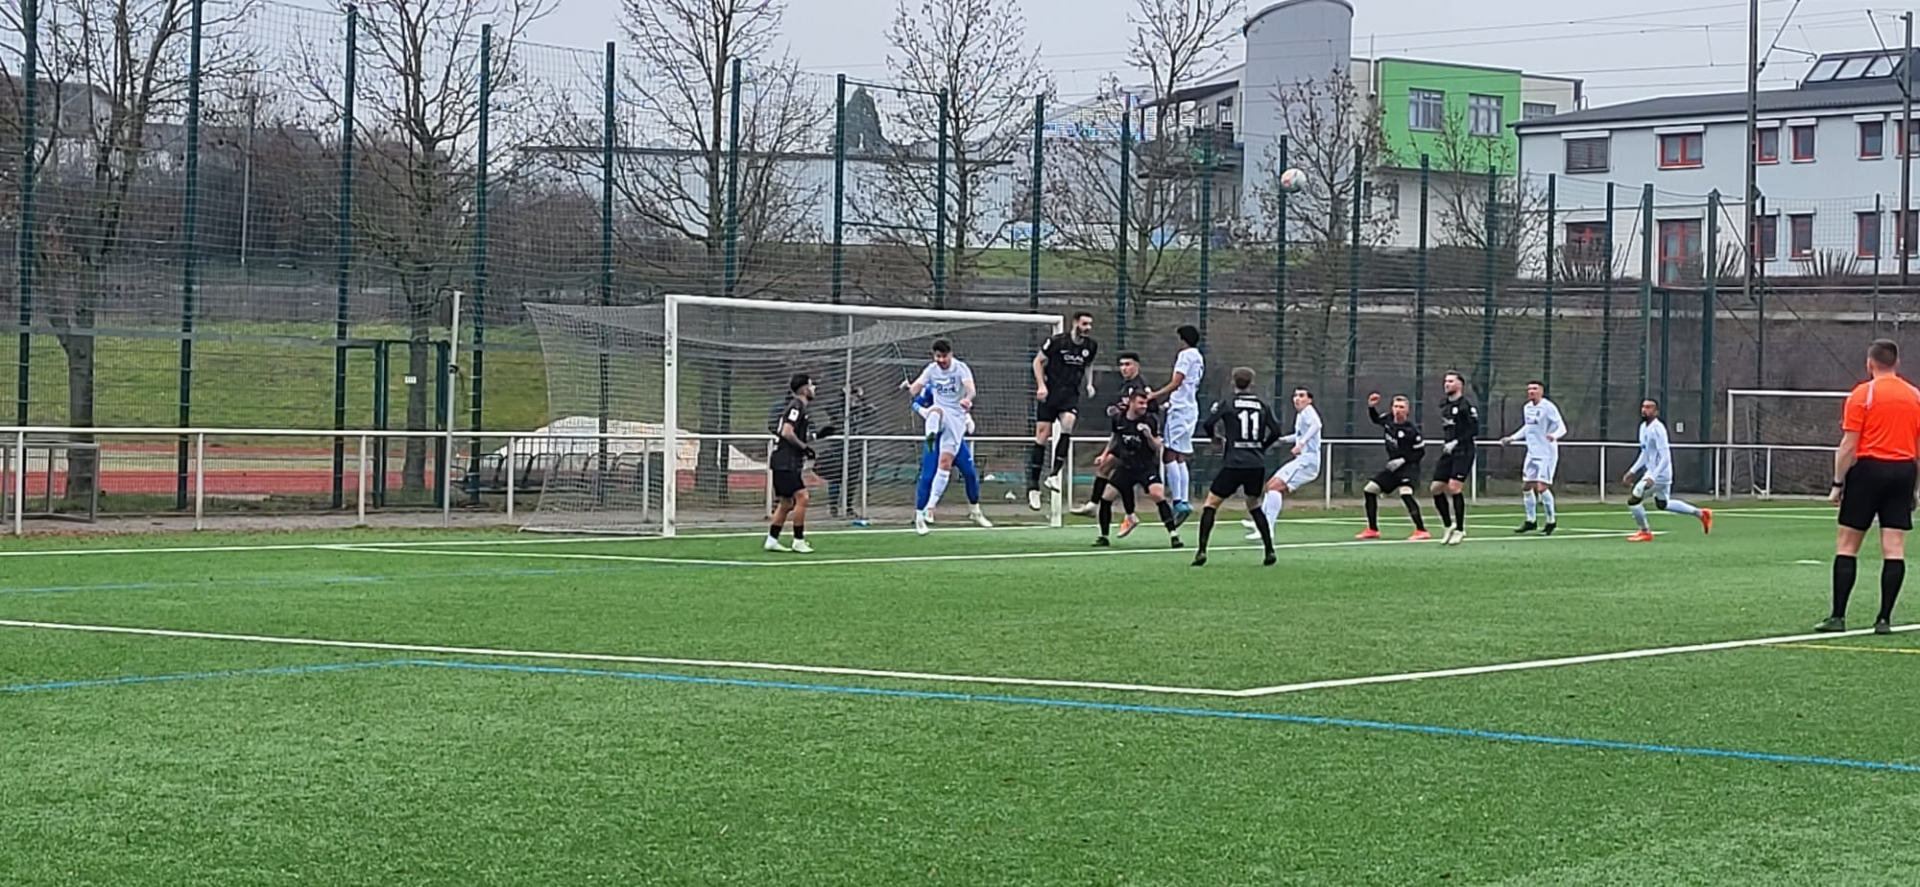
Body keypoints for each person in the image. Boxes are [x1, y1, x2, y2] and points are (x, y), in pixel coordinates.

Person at [1817, 338, 1920, 635]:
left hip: (1869, 470)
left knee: (1847, 545)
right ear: (1896, 363)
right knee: (1894, 548)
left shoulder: (1863, 394)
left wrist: (1837, 483)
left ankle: (1838, 616)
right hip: (1903, 470)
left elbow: (1849, 445)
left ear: (1870, 363)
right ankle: (1884, 619)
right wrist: (1914, 488)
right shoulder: (1914, 396)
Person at [1192, 367, 1283, 567]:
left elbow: (1208, 423)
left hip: (1234, 462)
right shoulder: (1262, 405)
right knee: (1254, 504)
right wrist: (1261, 447)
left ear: (1233, 381)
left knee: (1211, 503)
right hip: (1256, 463)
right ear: (1252, 383)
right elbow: (1276, 431)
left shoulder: (1228, 402)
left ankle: (1201, 550)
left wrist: (1215, 438)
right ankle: (1269, 550)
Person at [1092, 390, 1183, 549]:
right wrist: (1104, 455)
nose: (1144, 406)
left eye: (1145, 403)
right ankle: (1103, 536)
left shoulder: (1150, 420)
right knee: (1106, 498)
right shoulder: (1119, 419)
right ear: (1131, 403)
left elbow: (1158, 446)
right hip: (1126, 466)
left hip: (1146, 466)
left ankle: (1174, 535)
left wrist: (1149, 436)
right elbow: (1114, 439)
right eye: (1141, 403)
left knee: (1157, 494)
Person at [1029, 312, 1099, 510]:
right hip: (1051, 392)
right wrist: (1041, 385)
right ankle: (1033, 487)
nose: (1087, 328)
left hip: (1070, 394)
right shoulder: (1057, 342)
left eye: (1090, 324)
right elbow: (1037, 362)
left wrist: (1089, 384)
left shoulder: (1090, 346)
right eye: (1084, 324)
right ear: (1075, 323)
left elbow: (1089, 365)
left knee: (1068, 423)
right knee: (1043, 435)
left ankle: (1053, 475)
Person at [906, 339, 976, 536]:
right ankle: (919, 516)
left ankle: (931, 507)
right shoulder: (931, 370)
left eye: (943, 356)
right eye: (937, 356)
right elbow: (915, 391)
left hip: (956, 421)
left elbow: (971, 389)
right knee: (935, 411)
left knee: (946, 465)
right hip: (940, 415)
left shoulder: (960, 368)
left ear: (950, 354)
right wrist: (910, 387)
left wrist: (967, 399)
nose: (940, 360)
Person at [1075, 351, 1155, 517]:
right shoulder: (1126, 386)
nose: (1124, 368)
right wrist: (1116, 410)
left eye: (1128, 364)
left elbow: (1148, 409)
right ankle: (1115, 511)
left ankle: (1102, 507)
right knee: (1110, 469)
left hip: (1137, 440)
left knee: (1117, 473)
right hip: (1125, 435)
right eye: (1121, 365)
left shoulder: (1140, 386)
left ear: (1137, 366)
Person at [1622, 398, 1712, 542]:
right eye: (1643, 407)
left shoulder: (1658, 429)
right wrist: (1632, 471)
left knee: (1634, 499)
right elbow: (1645, 453)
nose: (1645, 410)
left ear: (1656, 412)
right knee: (1663, 504)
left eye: (1649, 407)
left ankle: (1645, 532)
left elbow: (1666, 457)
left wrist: (1653, 477)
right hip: (1653, 473)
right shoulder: (1643, 428)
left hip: (1660, 474)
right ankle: (1701, 514)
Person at [1244, 387, 1321, 541]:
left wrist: (1301, 444)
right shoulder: (1301, 415)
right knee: (1270, 486)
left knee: (1274, 487)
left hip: (1308, 461)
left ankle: (1268, 529)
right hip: (1302, 460)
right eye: (1295, 395)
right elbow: (1299, 435)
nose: (1297, 399)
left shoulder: (1309, 411)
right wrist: (1283, 440)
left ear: (1309, 400)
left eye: (1302, 396)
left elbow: (1317, 425)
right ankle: (1261, 523)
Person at [911, 384, 990, 533]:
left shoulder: (958, 387)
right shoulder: (931, 387)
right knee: (927, 476)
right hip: (936, 437)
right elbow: (915, 404)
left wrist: (967, 418)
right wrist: (925, 412)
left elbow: (962, 407)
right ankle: (922, 513)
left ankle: (975, 511)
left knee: (970, 474)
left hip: (954, 437)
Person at [767, 372, 828, 554]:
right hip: (786, 462)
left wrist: (817, 436)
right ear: (804, 389)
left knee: (786, 502)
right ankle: (798, 540)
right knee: (802, 497)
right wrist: (804, 448)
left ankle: (772, 540)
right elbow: (787, 432)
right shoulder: (797, 405)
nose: (814, 388)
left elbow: (795, 433)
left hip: (783, 461)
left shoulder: (799, 408)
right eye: (811, 385)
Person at [1151, 325, 1205, 524]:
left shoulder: (1185, 355)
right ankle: (1183, 500)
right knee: (1180, 456)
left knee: (1169, 454)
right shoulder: (1198, 356)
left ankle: (1177, 501)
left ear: (1183, 339)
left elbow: (1177, 383)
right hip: (1190, 408)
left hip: (1180, 409)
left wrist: (1154, 395)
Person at [1359, 393, 1429, 541]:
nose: (1398, 410)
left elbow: (1420, 452)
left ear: (1407, 410)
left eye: (1402, 407)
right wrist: (1371, 406)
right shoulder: (1388, 420)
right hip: (1393, 469)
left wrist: (1402, 460)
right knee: (1370, 490)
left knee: (1405, 493)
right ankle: (1372, 529)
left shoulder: (1411, 430)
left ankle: (1421, 530)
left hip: (1409, 468)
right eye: (1396, 406)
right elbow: (1376, 419)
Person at [1500, 381, 1565, 536]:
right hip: (1532, 452)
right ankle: (1531, 521)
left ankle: (1551, 522)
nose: (1531, 391)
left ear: (1541, 391)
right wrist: (1512, 438)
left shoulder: (1548, 407)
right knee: (1526, 486)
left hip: (1546, 453)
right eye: (1529, 389)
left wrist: (1554, 435)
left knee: (1542, 488)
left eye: (1535, 389)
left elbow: (1562, 427)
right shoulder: (1527, 407)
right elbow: (1528, 427)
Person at [813, 384, 876, 523]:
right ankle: (833, 506)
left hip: (854, 450)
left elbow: (872, 410)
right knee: (836, 478)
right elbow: (829, 408)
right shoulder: (838, 409)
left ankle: (848, 506)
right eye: (853, 395)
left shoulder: (859, 410)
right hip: (838, 448)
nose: (855, 399)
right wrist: (844, 398)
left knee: (852, 479)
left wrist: (860, 400)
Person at [1430, 371, 1479, 546]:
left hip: (1464, 451)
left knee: (1453, 487)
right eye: (1445, 381)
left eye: (1451, 381)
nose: (1446, 384)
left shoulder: (1466, 406)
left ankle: (1460, 529)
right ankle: (1448, 525)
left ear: (1460, 385)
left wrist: (1456, 442)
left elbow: (1474, 430)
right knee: (1436, 488)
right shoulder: (1445, 405)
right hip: (1448, 451)